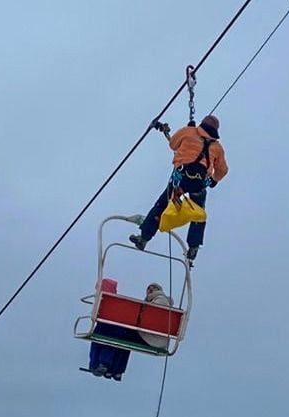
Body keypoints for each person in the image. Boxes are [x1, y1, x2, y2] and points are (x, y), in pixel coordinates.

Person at [129, 114, 228, 263]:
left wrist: (189, 131)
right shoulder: (217, 148)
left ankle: (143, 238)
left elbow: (173, 144)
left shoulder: (189, 132)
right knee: (198, 215)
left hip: (180, 179)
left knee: (161, 206)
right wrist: (214, 180)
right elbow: (222, 170)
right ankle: (193, 247)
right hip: (199, 184)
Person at [87, 283, 174, 381]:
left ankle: (103, 364)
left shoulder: (160, 300)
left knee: (115, 331)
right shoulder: (155, 300)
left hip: (152, 338)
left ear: (159, 290)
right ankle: (115, 370)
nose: (150, 289)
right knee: (121, 336)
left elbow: (152, 316)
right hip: (150, 337)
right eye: (148, 287)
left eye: (153, 288)